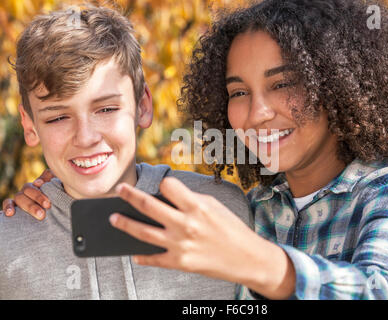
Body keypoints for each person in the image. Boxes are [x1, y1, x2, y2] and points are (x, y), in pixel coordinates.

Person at [5, 0, 388, 300]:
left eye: (283, 83)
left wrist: (261, 264)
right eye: (238, 92)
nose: (257, 113)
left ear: (336, 84)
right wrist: (53, 194)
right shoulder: (257, 207)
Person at [0, 5, 251, 299]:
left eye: (106, 109)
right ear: (29, 126)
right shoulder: (8, 241)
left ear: (143, 106)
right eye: (57, 117)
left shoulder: (222, 209)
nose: (86, 138)